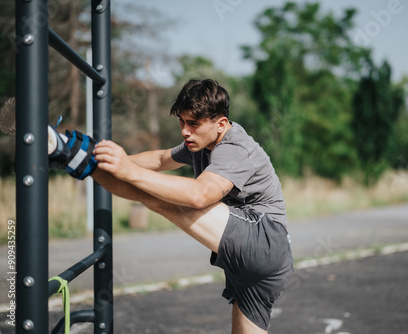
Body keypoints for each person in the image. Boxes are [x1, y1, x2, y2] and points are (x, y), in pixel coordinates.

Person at [50, 78, 294, 333]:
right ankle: (76, 154)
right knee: (149, 190)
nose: (185, 131)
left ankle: (73, 155)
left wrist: (126, 170)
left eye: (194, 124)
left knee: (154, 195)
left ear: (221, 123)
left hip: (264, 242)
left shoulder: (235, 148)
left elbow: (200, 195)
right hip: (255, 267)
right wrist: (111, 161)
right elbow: (159, 158)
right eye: (182, 121)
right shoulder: (200, 142)